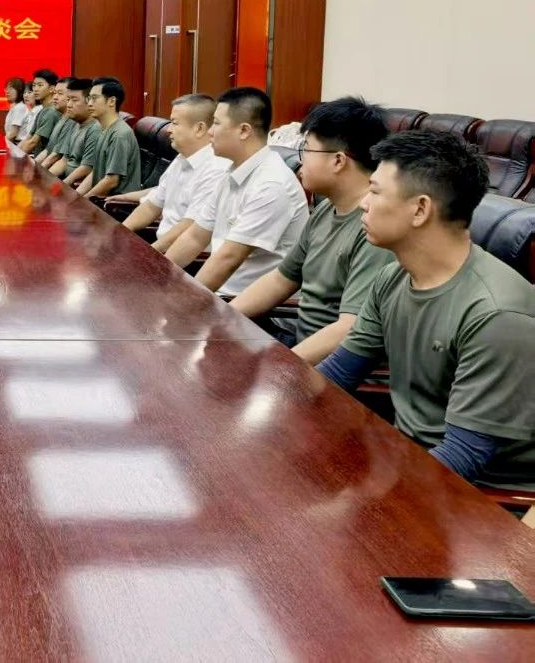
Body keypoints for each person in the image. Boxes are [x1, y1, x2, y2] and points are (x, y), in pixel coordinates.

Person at [317, 130, 535, 493]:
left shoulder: (496, 315)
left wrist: (365, 499)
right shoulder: (392, 277)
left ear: (420, 209)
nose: (363, 204)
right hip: (406, 462)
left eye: (375, 192)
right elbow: (338, 374)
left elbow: (465, 456)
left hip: (476, 496)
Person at [230, 97, 395, 360]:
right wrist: (220, 318)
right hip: (298, 347)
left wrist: (285, 369)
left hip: (326, 366)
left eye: (306, 149)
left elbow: (349, 329)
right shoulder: (326, 209)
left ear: (338, 161)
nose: (300, 160)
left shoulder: (375, 228)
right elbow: (280, 280)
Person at [165, 86, 308, 295]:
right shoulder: (232, 172)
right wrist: (157, 275)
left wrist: (184, 302)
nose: (210, 131)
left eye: (216, 123)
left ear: (243, 131)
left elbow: (229, 258)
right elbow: (195, 237)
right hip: (219, 293)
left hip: (246, 305)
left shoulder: (271, 184)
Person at [120, 94, 229, 252]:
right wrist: (119, 233)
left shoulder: (215, 170)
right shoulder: (181, 158)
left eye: (174, 123)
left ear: (199, 129)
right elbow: (151, 207)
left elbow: (188, 228)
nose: (169, 130)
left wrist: (149, 255)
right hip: (161, 247)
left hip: (187, 257)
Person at [77, 77, 142, 199]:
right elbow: (96, 172)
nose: (89, 103)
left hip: (115, 204)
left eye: (94, 98)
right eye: (89, 98)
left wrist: (82, 202)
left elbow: (111, 181)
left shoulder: (120, 135)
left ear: (111, 101)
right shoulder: (104, 129)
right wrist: (77, 197)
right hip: (101, 199)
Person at [50, 78, 99, 183]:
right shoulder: (74, 123)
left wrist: (61, 186)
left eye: (74, 100)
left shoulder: (95, 129)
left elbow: (87, 168)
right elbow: (64, 160)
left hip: (75, 186)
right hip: (65, 182)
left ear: (89, 101)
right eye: (68, 99)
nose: (69, 105)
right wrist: (46, 179)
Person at [20, 69, 60, 154]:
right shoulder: (42, 110)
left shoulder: (51, 112)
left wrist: (16, 156)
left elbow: (33, 143)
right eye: (34, 85)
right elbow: (28, 138)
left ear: (51, 89)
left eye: (40, 85)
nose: (35, 89)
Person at [36, 78, 73, 167]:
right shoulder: (61, 118)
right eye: (55, 93)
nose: (55, 97)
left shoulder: (71, 122)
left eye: (60, 93)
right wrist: (33, 165)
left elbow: (56, 156)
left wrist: (36, 170)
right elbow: (48, 150)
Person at [3, 77, 28, 142]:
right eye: (6, 89)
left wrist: (1, 141)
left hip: (18, 144)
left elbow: (13, 134)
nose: (7, 92)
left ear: (19, 91)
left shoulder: (20, 108)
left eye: (11, 89)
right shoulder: (16, 107)